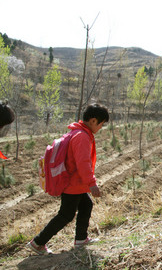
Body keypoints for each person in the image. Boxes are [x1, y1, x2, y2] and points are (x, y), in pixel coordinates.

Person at [27, 103, 109, 255]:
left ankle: (81, 239)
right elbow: (83, 164)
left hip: (75, 184)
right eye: (101, 124)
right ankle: (38, 242)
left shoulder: (77, 132)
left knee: (86, 205)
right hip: (72, 184)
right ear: (93, 121)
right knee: (66, 215)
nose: (100, 128)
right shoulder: (82, 137)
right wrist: (92, 184)